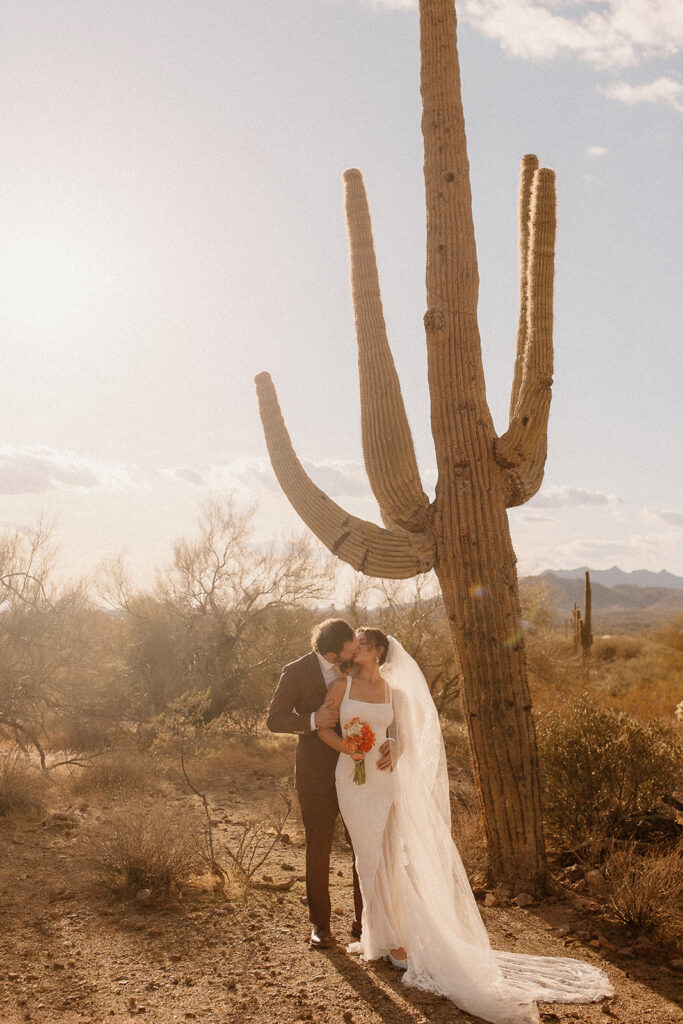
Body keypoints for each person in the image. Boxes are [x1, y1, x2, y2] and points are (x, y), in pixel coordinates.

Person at [318, 627, 614, 1024]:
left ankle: (389, 939)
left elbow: (405, 737)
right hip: (352, 778)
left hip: (385, 779)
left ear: (380, 652)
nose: (360, 645)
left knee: (389, 852)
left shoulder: (396, 693)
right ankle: (382, 938)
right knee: (367, 855)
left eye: (366, 642)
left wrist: (396, 746)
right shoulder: (342, 685)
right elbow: (325, 727)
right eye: (357, 641)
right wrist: (347, 748)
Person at [267, 618, 393, 950]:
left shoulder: (354, 668)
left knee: (362, 845)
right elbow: (274, 719)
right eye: (353, 642)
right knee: (319, 847)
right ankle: (320, 925)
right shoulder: (295, 671)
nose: (358, 646)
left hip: (357, 774)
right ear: (335, 652)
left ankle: (362, 920)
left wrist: (390, 742)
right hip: (315, 774)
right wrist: (311, 720)